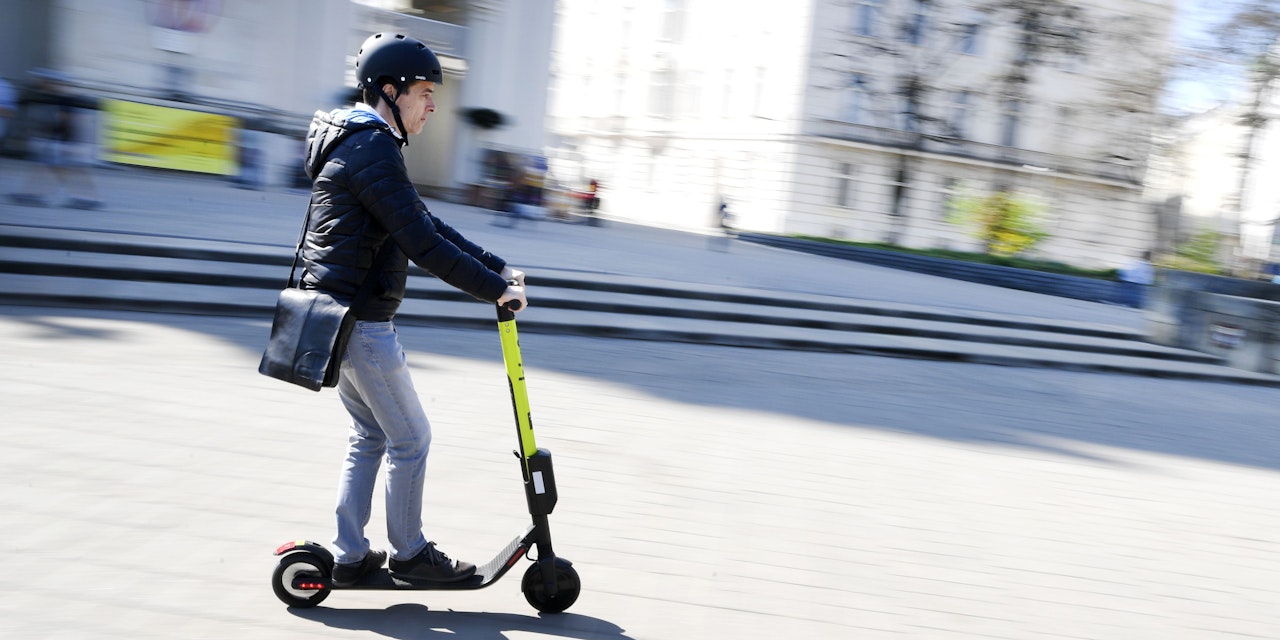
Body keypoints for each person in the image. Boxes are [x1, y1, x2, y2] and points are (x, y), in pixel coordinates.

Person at [299, 32, 527, 587]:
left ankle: (350, 554)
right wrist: (493, 292)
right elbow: (421, 244)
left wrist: (497, 267)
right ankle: (409, 554)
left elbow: (423, 223)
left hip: (340, 316)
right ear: (388, 91)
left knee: (372, 436)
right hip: (360, 322)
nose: (431, 105)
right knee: (412, 439)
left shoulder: (363, 143)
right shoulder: (371, 147)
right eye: (423, 92)